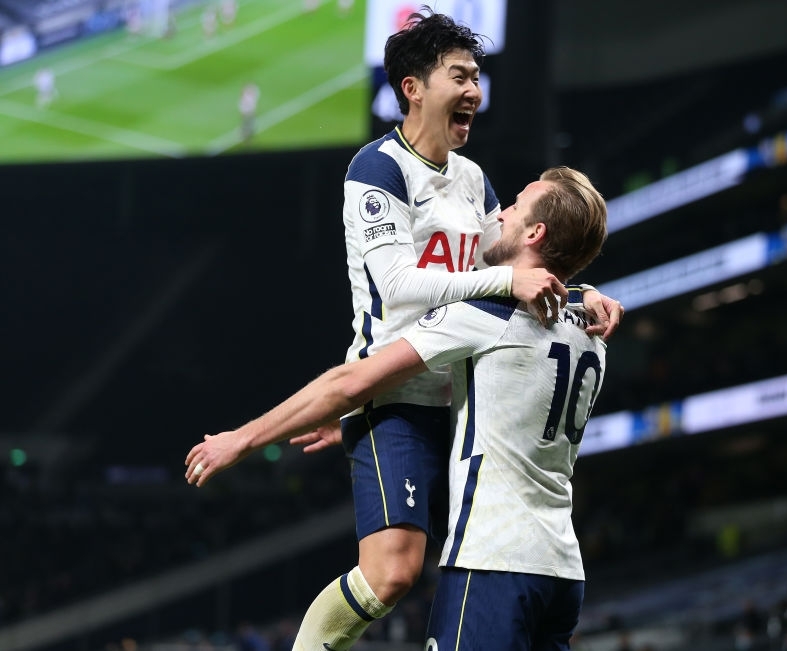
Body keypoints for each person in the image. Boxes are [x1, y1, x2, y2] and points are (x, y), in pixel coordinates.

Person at [292, 9, 620, 650]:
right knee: (393, 573)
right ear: (413, 87)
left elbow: (524, 253)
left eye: (478, 77)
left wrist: (580, 290)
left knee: (461, 550)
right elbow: (402, 285)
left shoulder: (474, 181)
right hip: (399, 385)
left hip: (464, 386)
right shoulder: (377, 169)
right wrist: (504, 285)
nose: (475, 90)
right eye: (460, 76)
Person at [186, 165, 610, 650]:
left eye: (515, 207)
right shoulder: (590, 329)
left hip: (494, 563)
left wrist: (243, 439)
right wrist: (590, 291)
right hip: (562, 572)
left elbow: (348, 383)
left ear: (536, 232)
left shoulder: (491, 312)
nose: (503, 214)